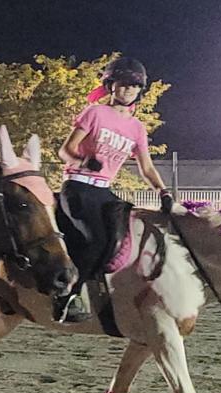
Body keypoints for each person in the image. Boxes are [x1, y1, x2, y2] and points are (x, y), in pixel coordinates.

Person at [54, 56, 168, 323]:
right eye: (122, 83)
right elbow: (65, 150)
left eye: (134, 85)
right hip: (78, 187)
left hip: (104, 190)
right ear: (111, 86)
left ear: (140, 90)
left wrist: (163, 192)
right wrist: (84, 161)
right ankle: (67, 295)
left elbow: (147, 168)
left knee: (129, 233)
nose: (128, 89)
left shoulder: (137, 128)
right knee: (96, 238)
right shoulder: (94, 113)